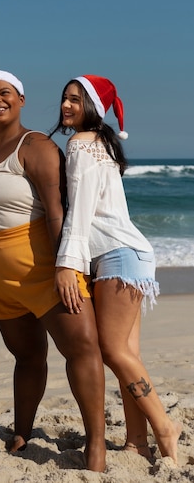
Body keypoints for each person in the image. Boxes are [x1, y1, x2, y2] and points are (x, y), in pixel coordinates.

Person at [0, 70, 107, 472]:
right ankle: (22, 433)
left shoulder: (37, 145)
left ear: (21, 99)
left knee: (81, 350)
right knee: (27, 358)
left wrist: (68, 266)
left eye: (4, 93)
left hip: (46, 270)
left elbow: (57, 210)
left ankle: (95, 445)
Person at [52, 74, 182, 464]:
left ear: (92, 106)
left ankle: (164, 427)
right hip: (130, 254)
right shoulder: (101, 144)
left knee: (112, 350)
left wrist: (65, 264)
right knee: (128, 354)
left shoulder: (79, 144)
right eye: (64, 98)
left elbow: (80, 212)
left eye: (76, 99)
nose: (66, 105)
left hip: (117, 256)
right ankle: (137, 443)